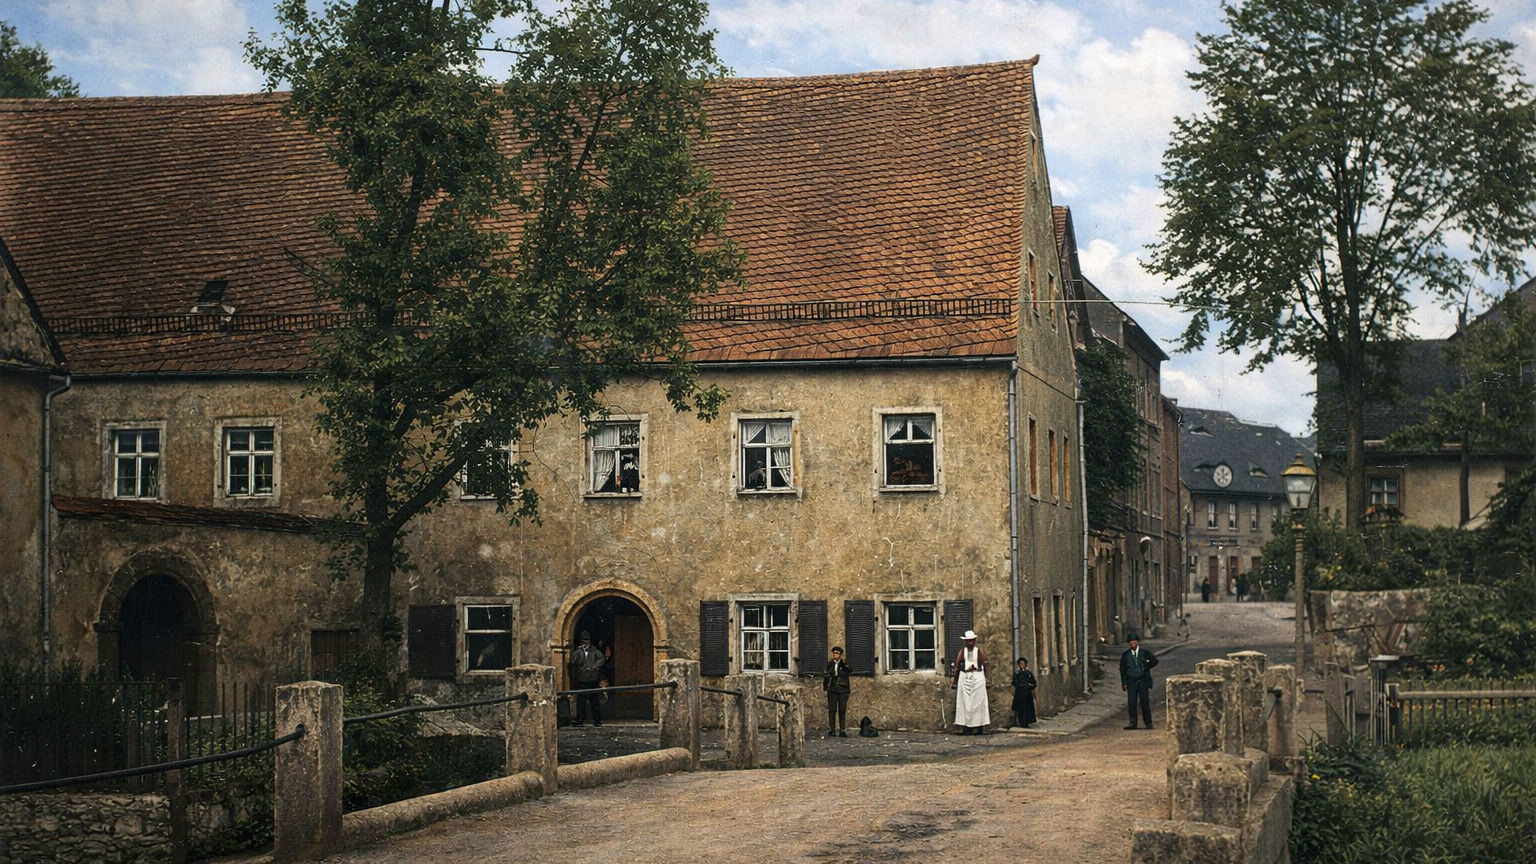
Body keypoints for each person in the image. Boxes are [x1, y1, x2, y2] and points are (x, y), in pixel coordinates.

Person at [951, 630, 990, 735]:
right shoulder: (962, 652)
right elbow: (957, 665)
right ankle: (966, 726)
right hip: (965, 677)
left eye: (972, 640)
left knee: (979, 702)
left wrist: (986, 678)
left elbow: (984, 664)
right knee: (965, 703)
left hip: (977, 677)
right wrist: (955, 677)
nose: (970, 643)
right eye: (968, 641)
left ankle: (979, 726)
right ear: (966, 641)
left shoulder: (979, 651)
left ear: (974, 640)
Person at [1119, 632, 1159, 730]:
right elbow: (1122, 669)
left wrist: (1146, 664)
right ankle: (1133, 723)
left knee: (1144, 702)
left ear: (1138, 643)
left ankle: (1148, 723)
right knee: (1132, 702)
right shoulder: (1126, 655)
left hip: (1142, 680)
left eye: (1135, 642)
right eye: (1131, 642)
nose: (1133, 644)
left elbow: (1155, 661)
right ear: (1129, 643)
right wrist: (1124, 682)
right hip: (1131, 680)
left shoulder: (1144, 653)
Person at [570, 631, 607, 727]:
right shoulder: (578, 652)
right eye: (584, 640)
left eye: (587, 640)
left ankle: (597, 720)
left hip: (592, 679)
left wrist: (594, 667)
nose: (586, 642)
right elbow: (572, 661)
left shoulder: (594, 651)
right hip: (582, 679)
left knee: (594, 702)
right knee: (581, 702)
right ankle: (580, 720)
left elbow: (602, 659)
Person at [822, 646, 852, 737]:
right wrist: (825, 686)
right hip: (832, 689)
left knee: (842, 711)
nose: (836, 655)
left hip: (843, 689)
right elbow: (826, 675)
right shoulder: (830, 664)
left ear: (840, 655)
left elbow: (849, 670)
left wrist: (842, 663)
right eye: (834, 653)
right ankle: (832, 730)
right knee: (832, 710)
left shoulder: (844, 664)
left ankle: (842, 730)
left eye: (837, 653)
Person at [1010, 657, 1037, 729]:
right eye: (1020, 664)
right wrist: (1019, 685)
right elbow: (1015, 682)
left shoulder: (1029, 673)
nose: (1021, 665)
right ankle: (1022, 722)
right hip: (1020, 694)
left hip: (1027, 694)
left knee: (1027, 708)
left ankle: (1027, 722)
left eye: (1022, 664)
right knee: (1021, 709)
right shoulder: (1018, 674)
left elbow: (1033, 682)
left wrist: (1030, 685)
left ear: (1025, 665)